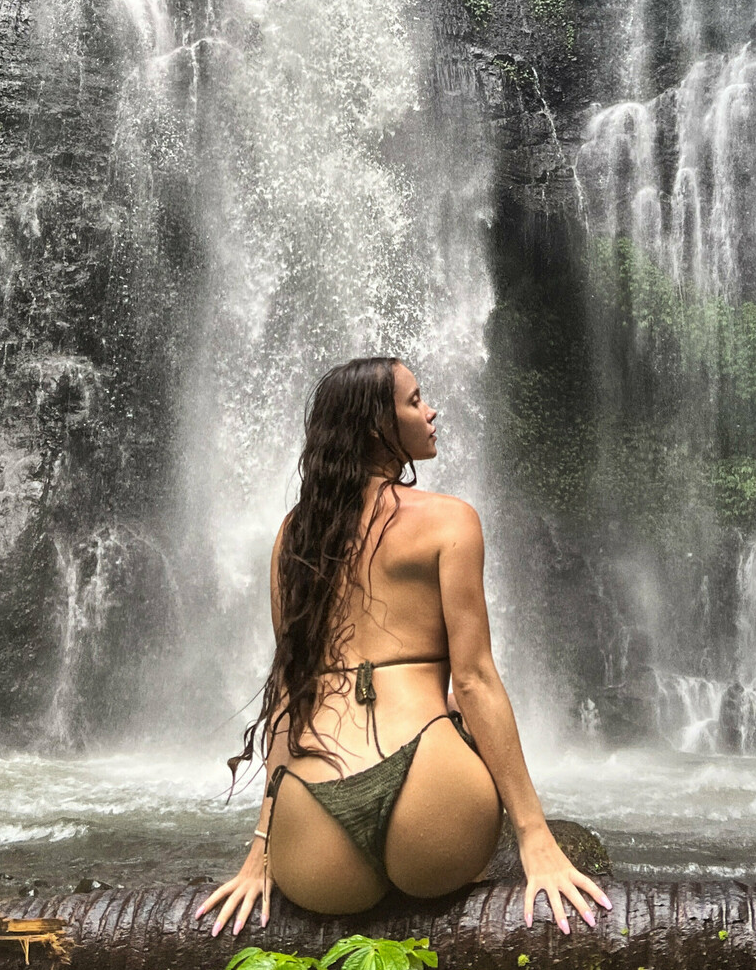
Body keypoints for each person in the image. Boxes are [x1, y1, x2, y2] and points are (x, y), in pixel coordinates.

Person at [196, 355, 612, 936]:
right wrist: (535, 838)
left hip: (314, 822)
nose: (431, 411)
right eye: (415, 401)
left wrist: (261, 854)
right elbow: (475, 680)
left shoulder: (295, 536)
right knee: (459, 713)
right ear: (377, 427)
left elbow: (291, 695)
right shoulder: (449, 521)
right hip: (428, 792)